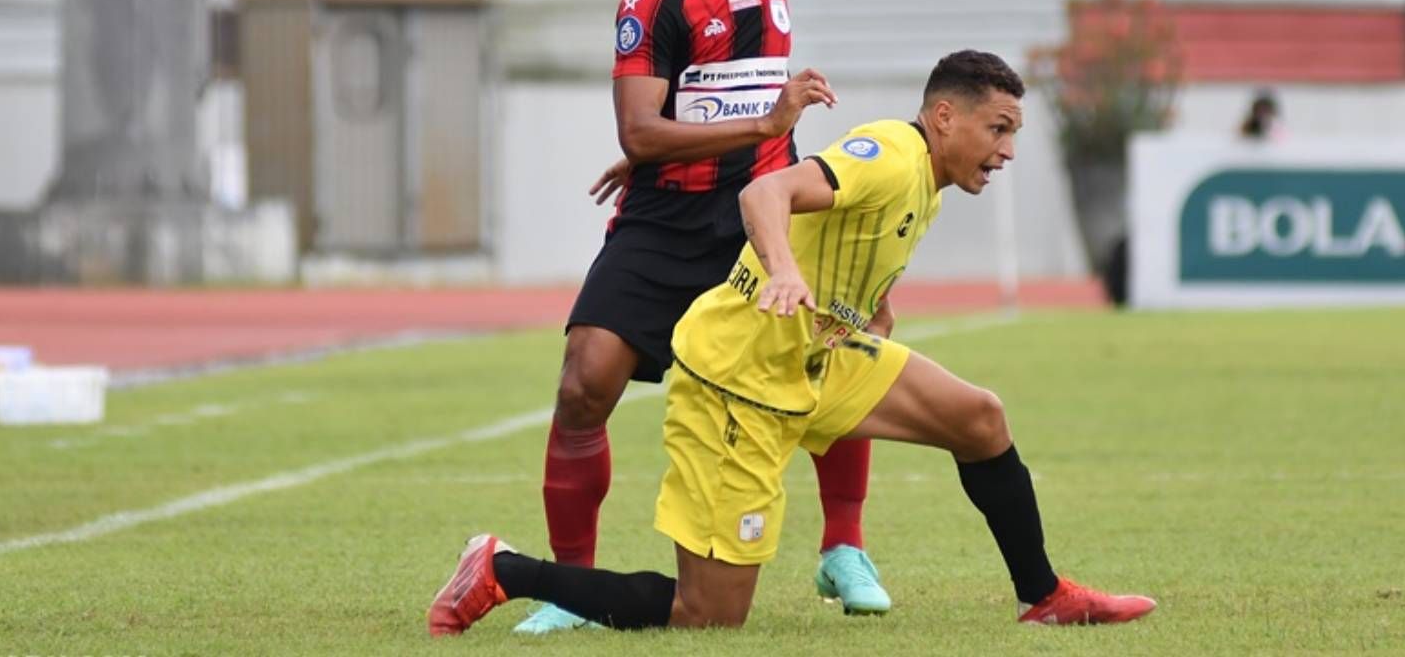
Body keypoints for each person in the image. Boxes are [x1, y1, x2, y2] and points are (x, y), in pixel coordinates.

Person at [430, 50, 1157, 634]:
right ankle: (502, 570)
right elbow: (764, 194)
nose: (1006, 150)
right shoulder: (890, 155)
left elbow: (848, 244)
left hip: (813, 360)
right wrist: (781, 270)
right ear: (944, 117)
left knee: (980, 418)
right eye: (998, 129)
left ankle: (1044, 594)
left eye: (1013, 134)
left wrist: (870, 310)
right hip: (735, 383)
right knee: (708, 614)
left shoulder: (928, 181)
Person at [514, 0, 897, 633]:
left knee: (840, 344)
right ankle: (569, 589)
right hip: (665, 222)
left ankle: (844, 549)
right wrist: (737, 134)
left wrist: (750, 139)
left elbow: (727, 97)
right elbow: (640, 131)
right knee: (585, 382)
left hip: (760, 209)